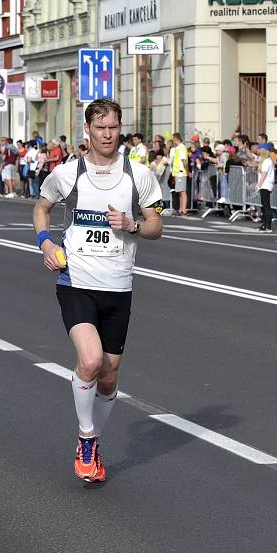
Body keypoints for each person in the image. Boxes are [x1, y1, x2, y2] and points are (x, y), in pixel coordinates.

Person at [33, 98, 162, 483]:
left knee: (108, 376)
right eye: (100, 128)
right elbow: (41, 208)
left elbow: (157, 226)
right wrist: (46, 243)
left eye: (114, 127)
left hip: (118, 285)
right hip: (76, 281)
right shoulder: (68, 173)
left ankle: (94, 439)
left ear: (121, 129)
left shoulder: (138, 175)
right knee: (89, 360)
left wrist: (132, 225)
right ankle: (85, 440)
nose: (108, 135)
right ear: (87, 130)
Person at [169, 132, 189, 214]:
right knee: (180, 191)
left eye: (173, 139)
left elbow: (184, 161)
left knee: (182, 192)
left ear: (176, 138)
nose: (173, 141)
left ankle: (183, 210)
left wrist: (187, 171)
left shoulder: (181, 148)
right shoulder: (177, 148)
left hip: (181, 173)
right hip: (177, 173)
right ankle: (181, 209)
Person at [257, 144, 275, 232]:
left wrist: (259, 185)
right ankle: (265, 224)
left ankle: (268, 225)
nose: (258, 150)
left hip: (265, 185)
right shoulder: (266, 161)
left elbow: (264, 174)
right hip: (265, 185)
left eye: (260, 149)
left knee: (266, 205)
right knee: (264, 205)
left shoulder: (267, 161)